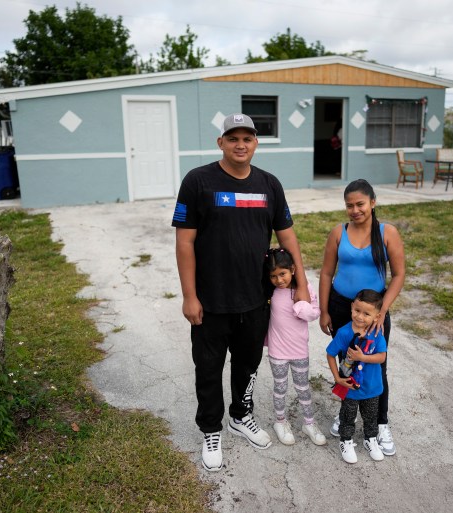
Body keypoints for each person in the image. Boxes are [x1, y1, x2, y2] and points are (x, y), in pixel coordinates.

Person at [172, 113, 310, 472]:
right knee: (208, 368)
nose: (240, 144)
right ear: (221, 142)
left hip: (255, 299)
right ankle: (211, 428)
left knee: (247, 366)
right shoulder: (198, 181)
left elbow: (287, 236)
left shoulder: (269, 185)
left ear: (255, 144)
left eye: (247, 138)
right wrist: (190, 295)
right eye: (232, 138)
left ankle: (240, 416)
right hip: (211, 300)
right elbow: (184, 242)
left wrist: (303, 285)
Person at [318, 179, 405, 456]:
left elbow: (399, 275)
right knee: (347, 363)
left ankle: (380, 422)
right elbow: (326, 273)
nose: (355, 210)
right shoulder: (338, 232)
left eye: (360, 204)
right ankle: (346, 415)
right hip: (342, 306)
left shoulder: (387, 232)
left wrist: (381, 312)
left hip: (373, 312)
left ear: (373, 202)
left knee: (377, 366)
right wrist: (324, 310)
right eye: (349, 205)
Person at [264, 247, 327, 447]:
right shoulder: (270, 291)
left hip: (299, 350)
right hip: (277, 351)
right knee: (280, 387)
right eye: (273, 276)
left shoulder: (303, 289)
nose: (279, 280)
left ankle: (309, 423)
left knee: (303, 387)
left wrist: (301, 306)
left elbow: (314, 313)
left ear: (292, 269)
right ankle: (280, 422)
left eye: (282, 274)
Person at [325, 289, 388, 463]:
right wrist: (337, 379)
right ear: (352, 307)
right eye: (357, 310)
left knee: (371, 415)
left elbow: (382, 356)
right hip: (350, 386)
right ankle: (346, 441)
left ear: (376, 316)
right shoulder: (344, 333)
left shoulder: (376, 333)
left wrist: (362, 357)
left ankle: (371, 439)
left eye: (367, 313)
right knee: (348, 415)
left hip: (372, 386)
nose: (360, 317)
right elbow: (330, 354)